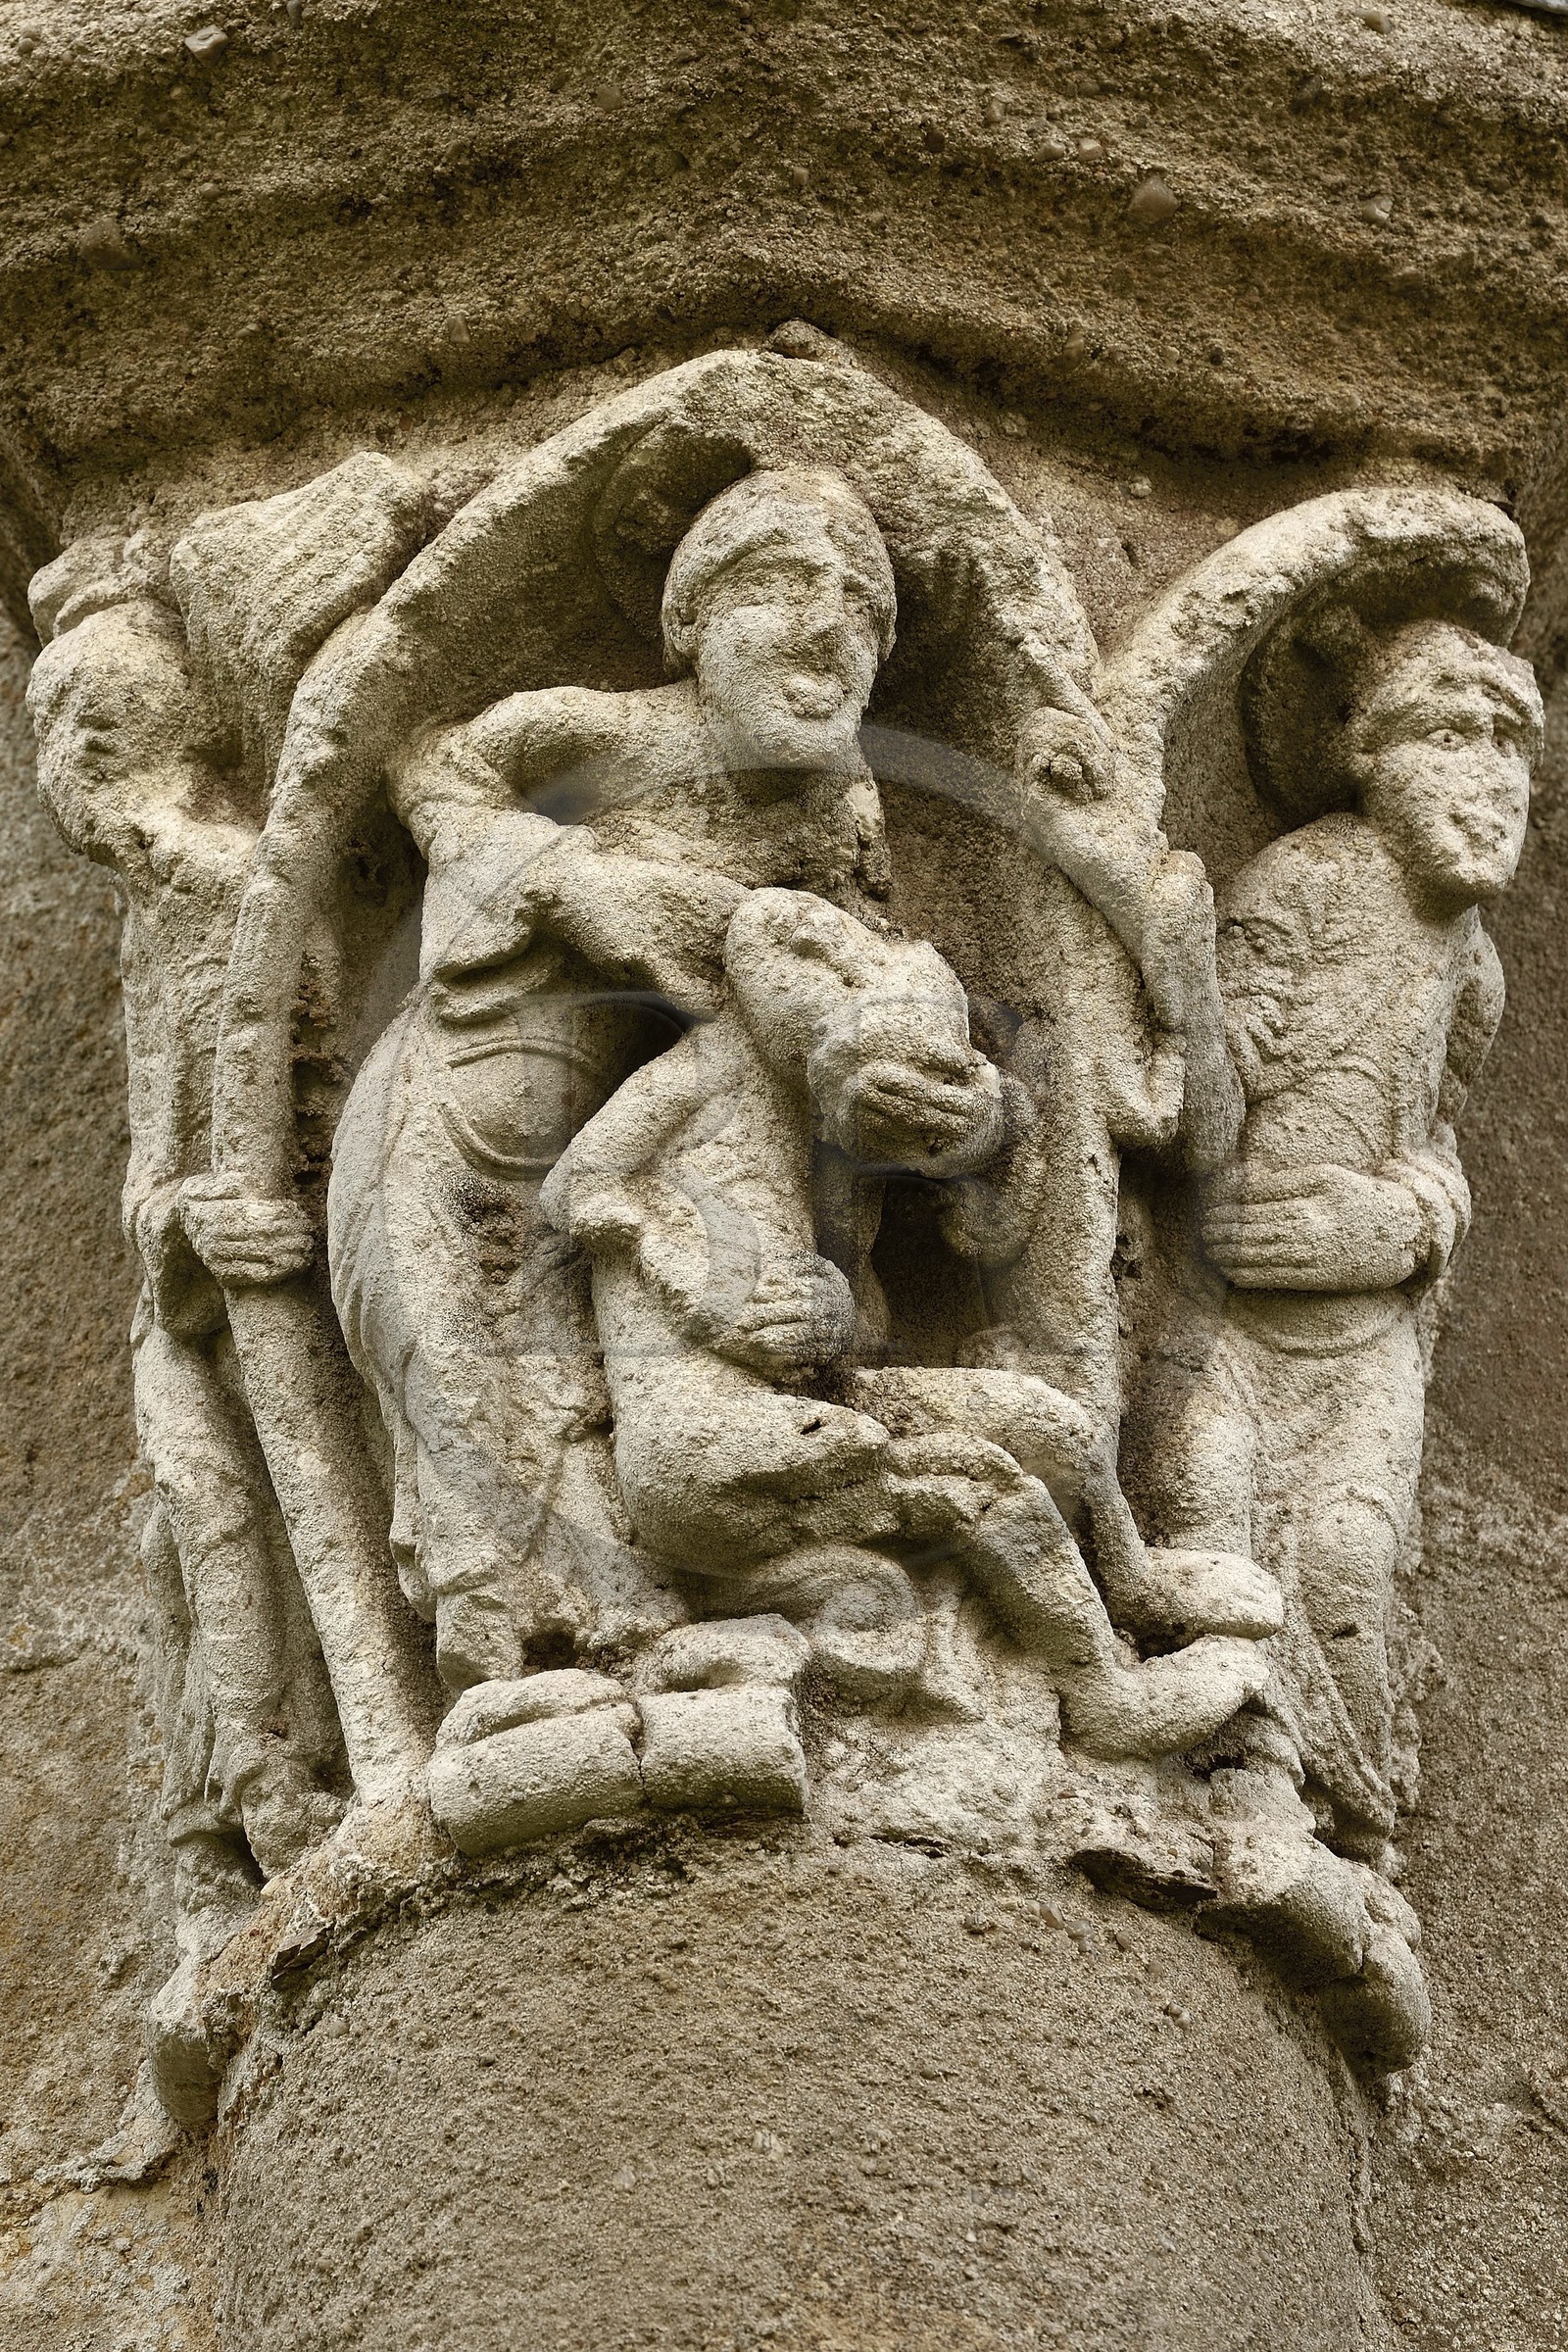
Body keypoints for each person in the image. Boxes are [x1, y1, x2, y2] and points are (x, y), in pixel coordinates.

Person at [327, 467, 903, 1693]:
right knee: (470, 1404)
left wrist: (919, 1106)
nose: (825, 626)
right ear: (685, 625)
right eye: (776, 587)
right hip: (446, 1134)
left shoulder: (839, 815)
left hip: (626, 1161)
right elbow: (430, 762)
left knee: (592, 1406)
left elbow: (848, 1037)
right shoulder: (607, 737)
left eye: (865, 607)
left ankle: (632, 1645)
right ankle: (510, 1681)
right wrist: (563, 873)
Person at [1135, 616, 1543, 1858]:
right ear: (1365, 755)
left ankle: (1338, 1821)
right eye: (1448, 734)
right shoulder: (1302, 883)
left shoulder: (1473, 972)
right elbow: (1204, 1115)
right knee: (1203, 1505)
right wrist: (1179, 985)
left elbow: (1441, 1148)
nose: (1487, 776)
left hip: (1363, 1332)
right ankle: (1221, 1774)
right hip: (1229, 1317)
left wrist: (1405, 1224)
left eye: (1510, 745)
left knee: (1350, 1564)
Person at [26, 564, 346, 1934]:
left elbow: (333, 1060)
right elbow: (160, 1160)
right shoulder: (162, 909)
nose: (65, 757)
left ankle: (296, 1797)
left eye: (93, 722)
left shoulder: (229, 883)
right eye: (43, 731)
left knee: (252, 1518)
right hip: (192, 1301)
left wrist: (281, 1195)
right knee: (195, 1527)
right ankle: (233, 1831)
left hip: (299, 1280)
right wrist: (175, 1226)